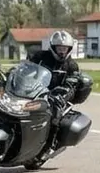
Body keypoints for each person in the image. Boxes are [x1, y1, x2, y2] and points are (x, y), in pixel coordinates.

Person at [24, 30, 83, 163]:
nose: (62, 51)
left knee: (54, 115)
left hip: (57, 96)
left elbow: (72, 84)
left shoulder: (71, 65)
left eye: (64, 48)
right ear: (52, 47)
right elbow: (26, 68)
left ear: (69, 49)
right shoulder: (40, 57)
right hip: (36, 91)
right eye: (59, 48)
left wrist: (63, 94)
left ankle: (48, 147)